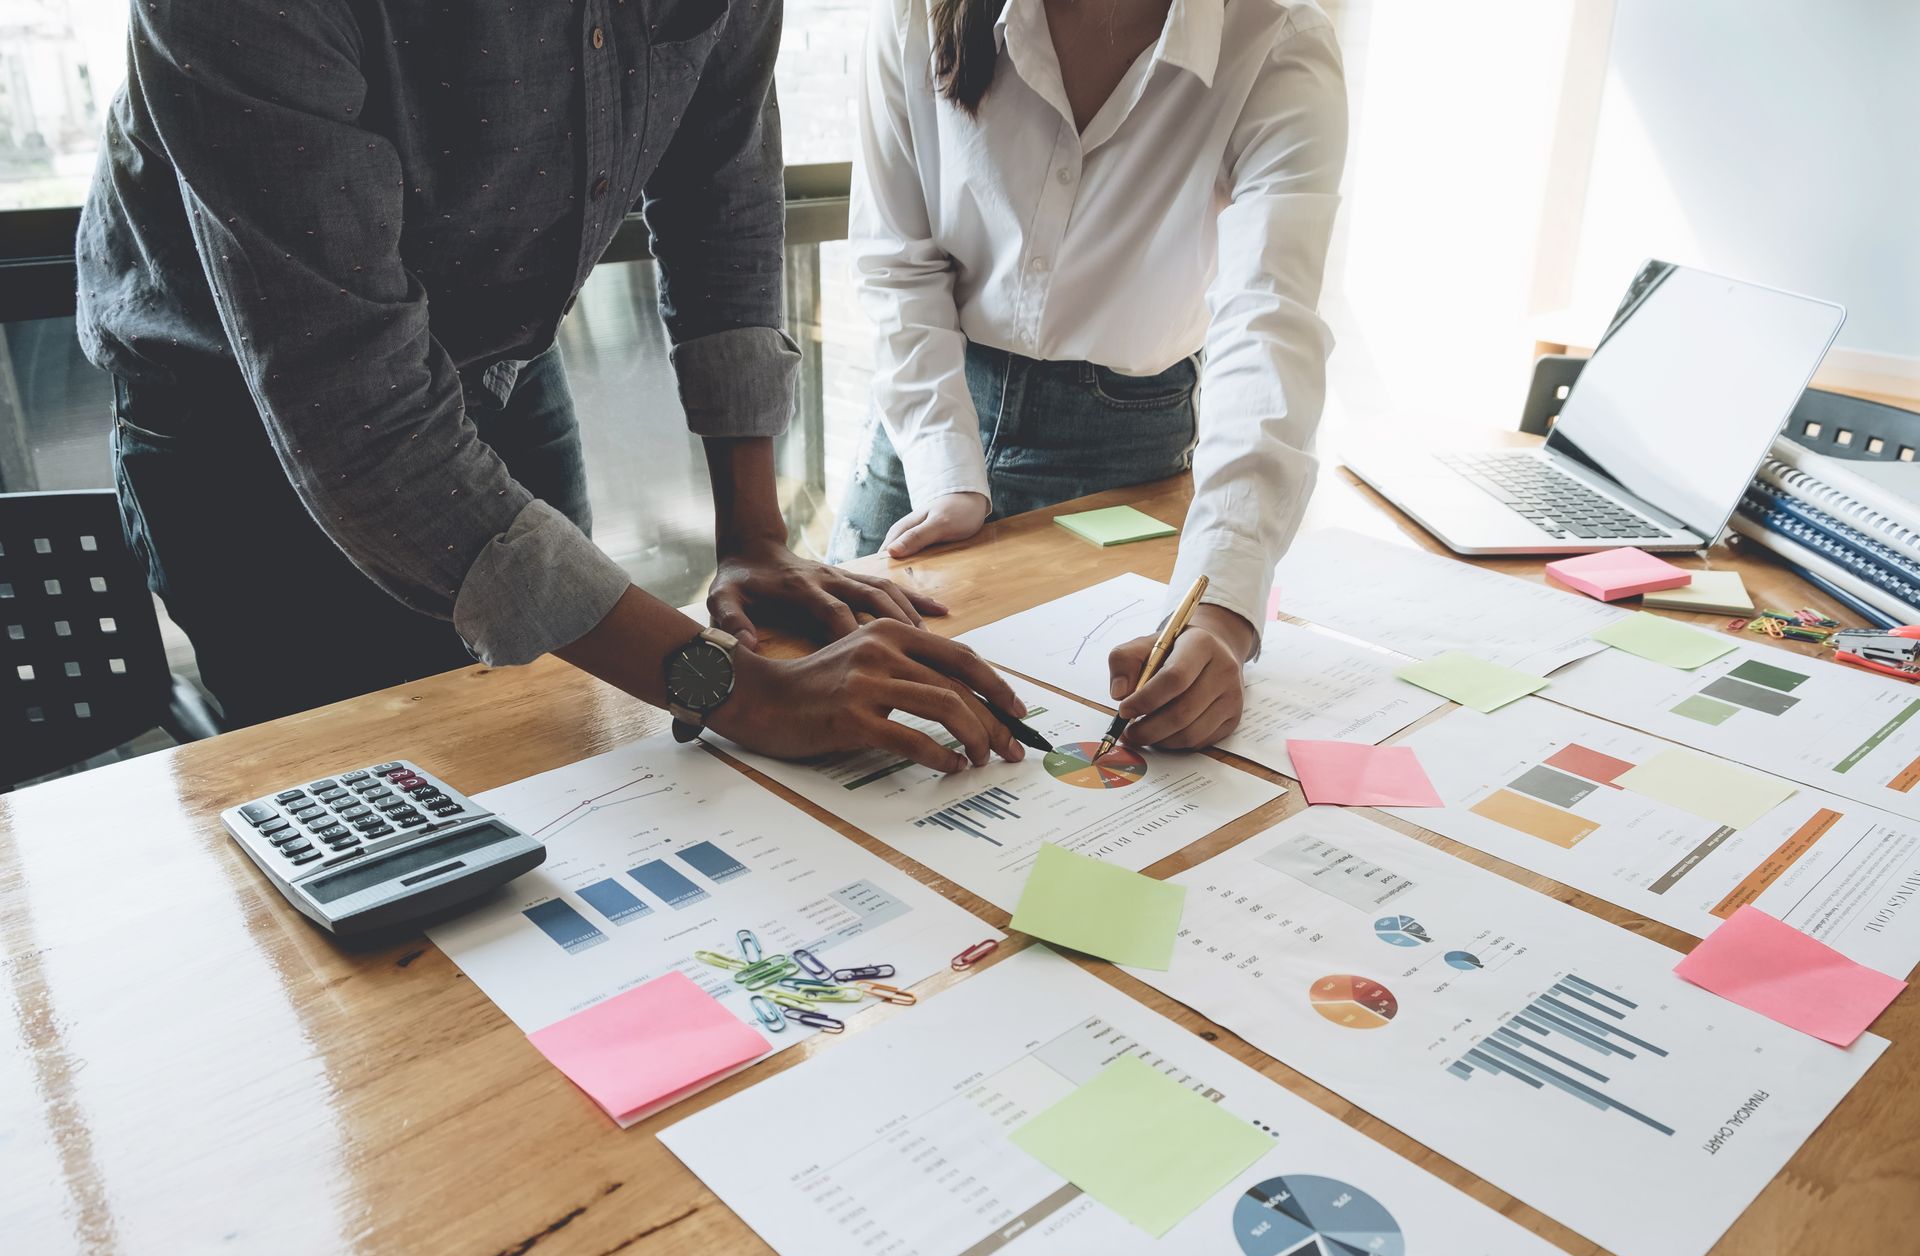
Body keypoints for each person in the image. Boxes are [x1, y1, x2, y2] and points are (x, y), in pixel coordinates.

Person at [76, 0, 1026, 773]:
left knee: (558, 750)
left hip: (501, 367)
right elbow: (359, 417)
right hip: (242, 430)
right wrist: (747, 693)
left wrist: (755, 536)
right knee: (371, 823)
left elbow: (721, 198)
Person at [835, 0, 1346, 750]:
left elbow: (1266, 324)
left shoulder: (1278, 39)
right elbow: (898, 264)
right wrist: (946, 469)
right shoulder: (917, 12)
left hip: (1126, 444)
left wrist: (1224, 609)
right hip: (926, 422)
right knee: (842, 729)